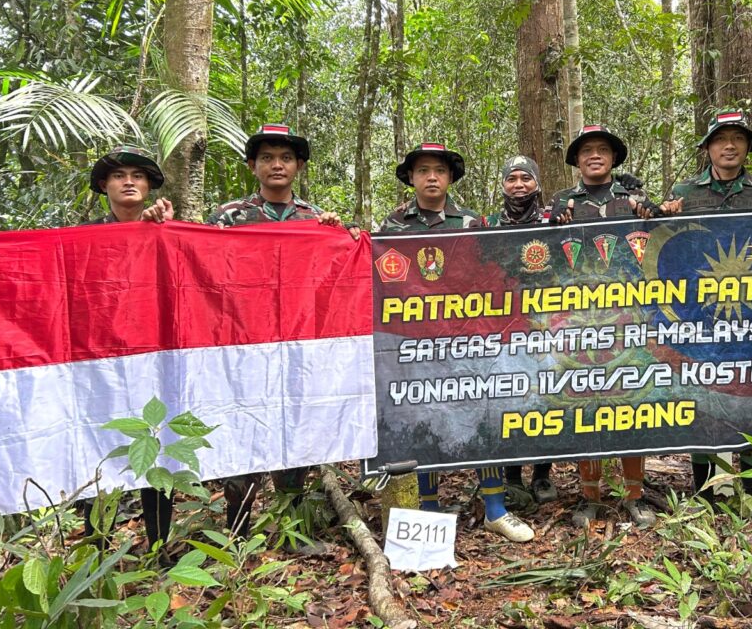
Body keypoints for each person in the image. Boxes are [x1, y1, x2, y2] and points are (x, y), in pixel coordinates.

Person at [381, 142, 535, 543]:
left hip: (466, 339)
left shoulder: (471, 222)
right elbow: (381, 277)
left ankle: (495, 509)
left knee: (481, 414)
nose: (431, 177)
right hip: (415, 343)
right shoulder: (393, 226)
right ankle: (430, 510)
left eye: (439, 171)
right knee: (424, 418)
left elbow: (491, 274)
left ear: (450, 178)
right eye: (423, 171)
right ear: (411, 178)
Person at [207, 124, 356, 536]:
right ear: (252, 165)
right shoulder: (228, 217)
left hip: (296, 346)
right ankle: (237, 534)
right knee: (244, 432)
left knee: (296, 429)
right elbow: (201, 269)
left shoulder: (314, 218)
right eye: (268, 158)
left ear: (299, 167)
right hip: (244, 347)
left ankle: (291, 524)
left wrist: (340, 236)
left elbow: (335, 277)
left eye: (286, 158)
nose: (277, 165)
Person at [548, 125, 669, 528]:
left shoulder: (634, 199)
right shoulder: (562, 202)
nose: (595, 156)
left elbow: (662, 244)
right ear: (577, 160)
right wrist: (552, 225)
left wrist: (656, 214)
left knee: (632, 401)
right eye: (587, 151)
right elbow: (542, 254)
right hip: (579, 317)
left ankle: (634, 494)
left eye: (603, 149)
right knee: (586, 400)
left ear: (614, 158)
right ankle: (590, 497)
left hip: (630, 316)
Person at [668, 110, 752, 526]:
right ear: (708, 148)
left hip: (750, 315)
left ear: (748, 146)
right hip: (699, 315)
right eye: (720, 139)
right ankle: (706, 491)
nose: (729, 146)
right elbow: (669, 246)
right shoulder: (684, 192)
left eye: (737, 139)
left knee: (750, 395)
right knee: (703, 395)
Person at [80, 146, 175, 553]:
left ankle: (159, 549)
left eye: (138, 175)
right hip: (101, 363)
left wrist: (164, 232)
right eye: (119, 176)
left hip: (157, 360)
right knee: (100, 447)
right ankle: (97, 553)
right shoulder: (84, 238)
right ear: (105, 186)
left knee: (158, 447)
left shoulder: (168, 233)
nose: (129, 182)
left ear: (150, 186)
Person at [485, 155, 557, 507]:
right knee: (510, 397)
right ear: (502, 184)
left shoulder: (554, 221)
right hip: (505, 324)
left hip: (548, 322)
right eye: (511, 178)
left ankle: (542, 474)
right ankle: (512, 477)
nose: (518, 185)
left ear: (537, 184)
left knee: (546, 395)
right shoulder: (487, 225)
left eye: (525, 178)